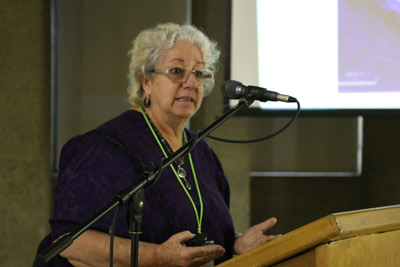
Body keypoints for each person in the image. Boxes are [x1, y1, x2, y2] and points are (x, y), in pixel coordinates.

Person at [35, 23, 279, 267]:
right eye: (176, 71)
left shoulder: (202, 153)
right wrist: (159, 257)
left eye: (199, 73)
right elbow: (70, 242)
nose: (191, 83)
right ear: (146, 82)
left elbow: (202, 232)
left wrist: (235, 242)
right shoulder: (100, 148)